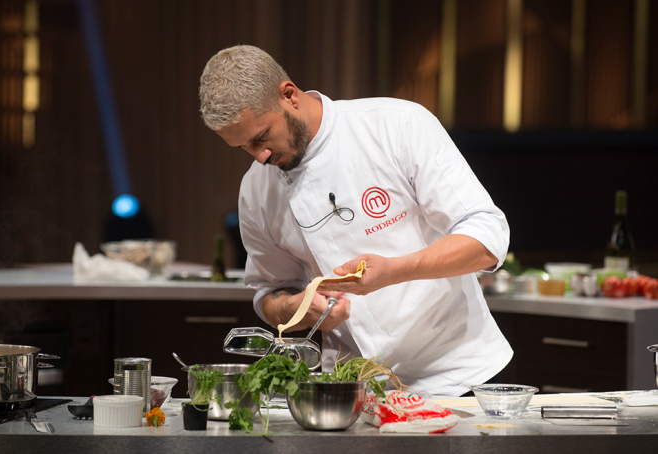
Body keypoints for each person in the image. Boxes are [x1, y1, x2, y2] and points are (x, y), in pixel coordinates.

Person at [199, 45, 512, 398]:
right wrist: (301, 307)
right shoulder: (255, 190)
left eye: (262, 137)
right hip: (352, 389)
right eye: (243, 147)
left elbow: (487, 236)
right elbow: (269, 294)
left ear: (289, 95)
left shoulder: (395, 124)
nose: (260, 156)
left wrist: (396, 270)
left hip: (458, 375)